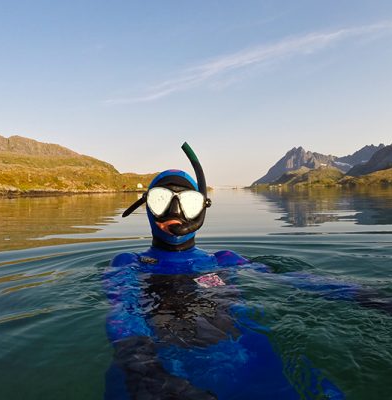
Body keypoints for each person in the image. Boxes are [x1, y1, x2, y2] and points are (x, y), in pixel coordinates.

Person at [103, 143, 345, 399]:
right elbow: (122, 314)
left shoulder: (224, 259)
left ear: (202, 208)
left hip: (244, 355)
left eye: (188, 202)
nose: (175, 212)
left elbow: (294, 279)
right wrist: (146, 372)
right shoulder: (129, 262)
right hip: (161, 365)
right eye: (161, 200)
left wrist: (366, 297)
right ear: (148, 208)